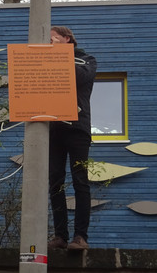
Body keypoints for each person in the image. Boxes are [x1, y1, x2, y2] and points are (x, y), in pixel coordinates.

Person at [47, 26, 97, 251]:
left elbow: (78, 78)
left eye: (53, 39)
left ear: (67, 39)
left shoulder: (87, 60)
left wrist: (59, 54)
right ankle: (60, 236)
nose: (50, 43)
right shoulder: (49, 60)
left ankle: (80, 237)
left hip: (78, 128)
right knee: (55, 182)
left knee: (80, 181)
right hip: (54, 128)